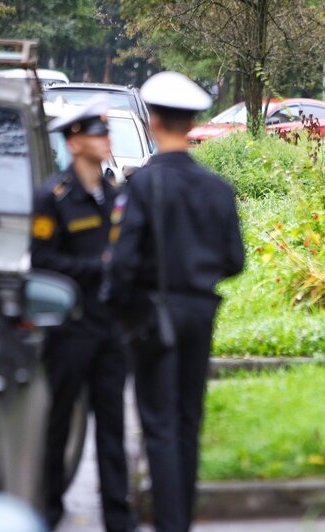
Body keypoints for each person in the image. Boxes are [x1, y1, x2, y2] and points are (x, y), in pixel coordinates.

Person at [100, 71, 245, 532]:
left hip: (152, 314)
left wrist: (115, 308)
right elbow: (235, 260)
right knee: (187, 420)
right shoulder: (218, 189)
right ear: (194, 122)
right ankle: (181, 519)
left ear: (154, 119)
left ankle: (170, 524)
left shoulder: (141, 186)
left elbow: (122, 263)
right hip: (200, 313)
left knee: (158, 425)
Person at [31, 96, 132, 532]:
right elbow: (42, 261)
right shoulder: (53, 197)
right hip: (71, 330)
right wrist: (98, 268)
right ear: (74, 143)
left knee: (112, 425)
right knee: (59, 423)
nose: (105, 140)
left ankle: (118, 516)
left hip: (110, 329)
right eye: (97, 133)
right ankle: (48, 508)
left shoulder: (114, 194)